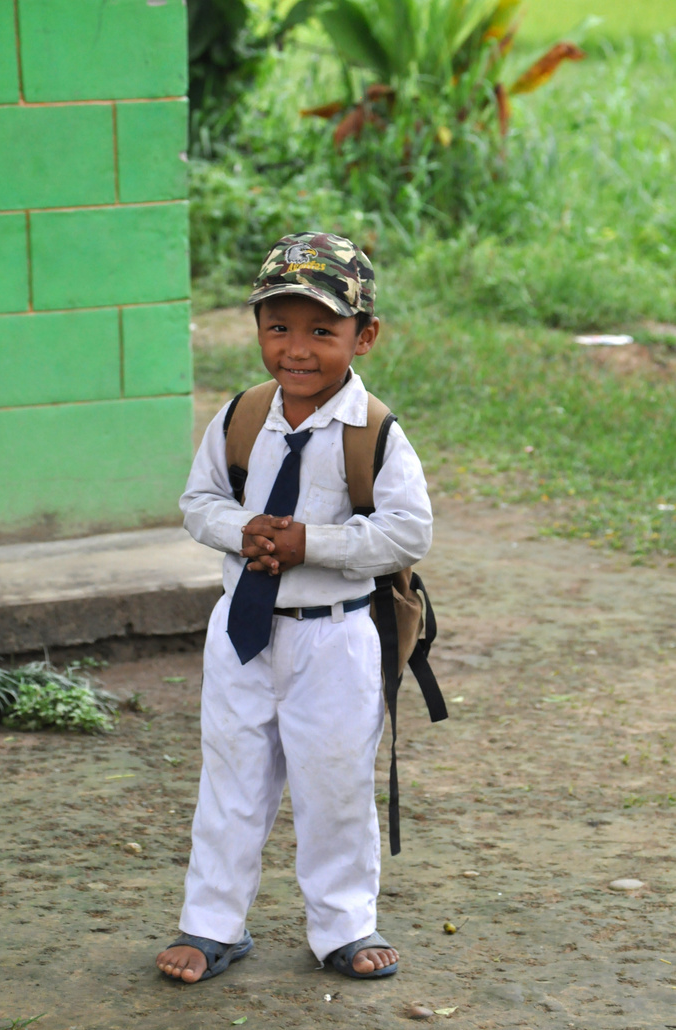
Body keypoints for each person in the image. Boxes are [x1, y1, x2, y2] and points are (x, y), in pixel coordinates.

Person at [156, 232, 432, 983]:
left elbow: (409, 530)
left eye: (321, 330)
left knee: (334, 783)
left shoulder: (372, 432)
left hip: (334, 640)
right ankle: (212, 924)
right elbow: (198, 500)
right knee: (231, 776)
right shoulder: (243, 416)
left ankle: (343, 926)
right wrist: (241, 529)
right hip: (242, 632)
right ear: (256, 331)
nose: (296, 349)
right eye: (277, 327)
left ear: (363, 336)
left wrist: (312, 543)